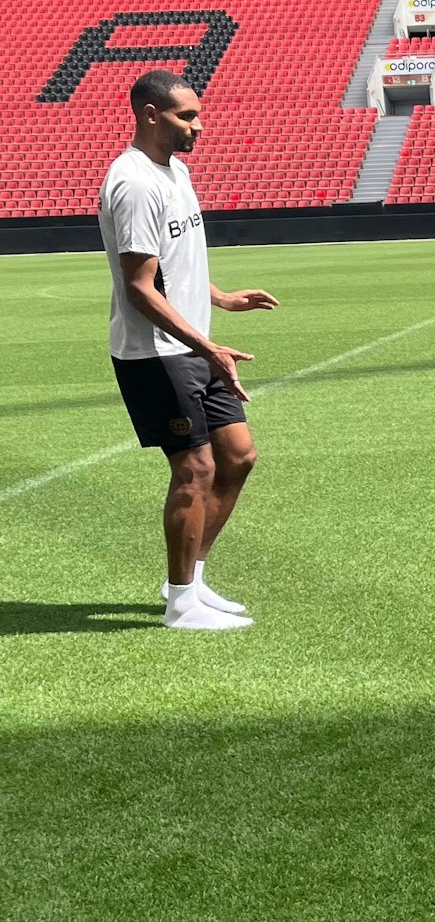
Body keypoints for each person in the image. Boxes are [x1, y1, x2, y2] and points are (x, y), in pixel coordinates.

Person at [99, 70, 278, 631]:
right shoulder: (134, 184)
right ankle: (180, 604)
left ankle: (191, 581)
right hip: (155, 351)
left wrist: (221, 299)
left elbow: (174, 266)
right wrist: (207, 345)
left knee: (238, 456)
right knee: (195, 467)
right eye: (186, 116)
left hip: (195, 346)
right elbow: (140, 287)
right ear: (151, 115)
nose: (198, 126)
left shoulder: (175, 171)